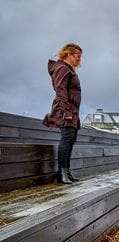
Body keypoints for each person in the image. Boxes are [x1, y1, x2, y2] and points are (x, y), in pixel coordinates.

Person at [43, 43, 83, 184]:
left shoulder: (68, 69)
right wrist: (66, 112)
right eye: (78, 56)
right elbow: (60, 91)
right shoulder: (62, 68)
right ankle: (61, 173)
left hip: (71, 110)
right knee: (66, 139)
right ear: (69, 54)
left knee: (71, 139)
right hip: (65, 110)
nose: (79, 59)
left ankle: (66, 172)